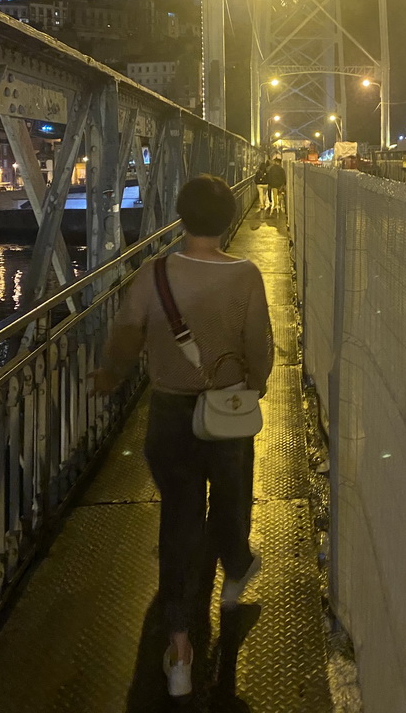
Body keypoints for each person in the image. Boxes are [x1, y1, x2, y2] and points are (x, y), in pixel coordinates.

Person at [91, 175, 274, 698]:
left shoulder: (154, 274)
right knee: (233, 496)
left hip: (171, 413)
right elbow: (257, 342)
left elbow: (126, 335)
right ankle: (235, 570)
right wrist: (255, 383)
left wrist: (110, 376)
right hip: (226, 409)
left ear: (180, 215)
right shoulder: (246, 275)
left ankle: (179, 650)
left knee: (179, 522)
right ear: (226, 218)